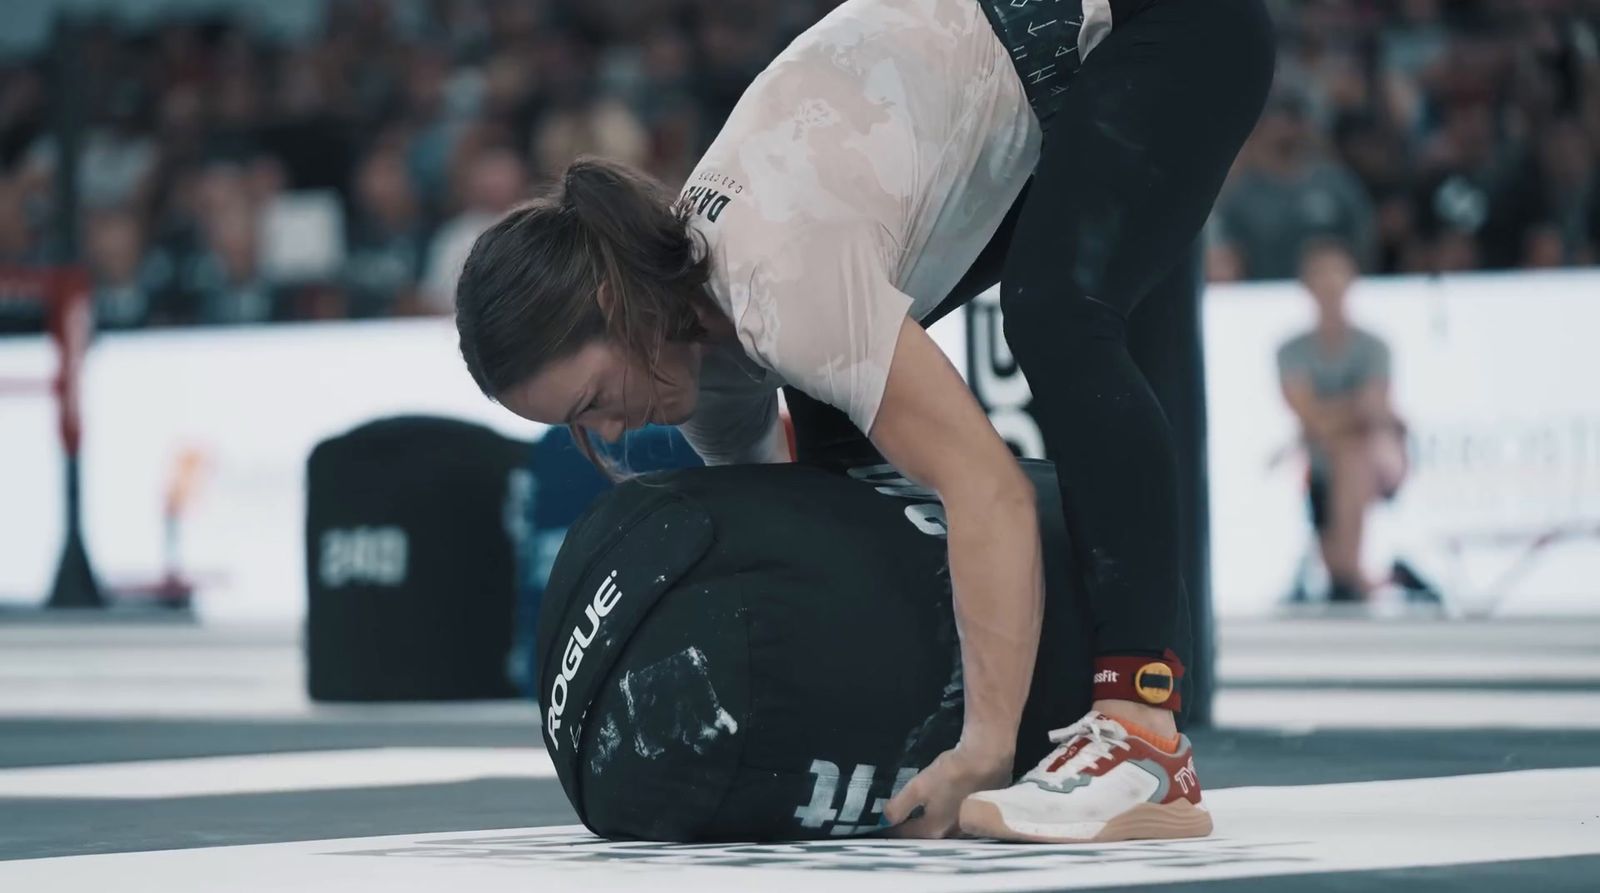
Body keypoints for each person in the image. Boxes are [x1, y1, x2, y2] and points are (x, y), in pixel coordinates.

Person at [455, 0, 1273, 842]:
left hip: (1167, 26)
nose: (616, 432)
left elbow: (985, 487)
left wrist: (985, 748)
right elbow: (790, 543)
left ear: (612, 304)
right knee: (833, 437)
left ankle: (1144, 736)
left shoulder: (780, 285)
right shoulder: (710, 338)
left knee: (1057, 315)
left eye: (593, 401)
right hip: (1042, 81)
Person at [1278, 238, 1404, 602]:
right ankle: (1345, 571)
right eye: (1320, 277)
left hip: (1369, 455)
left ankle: (1346, 569)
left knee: (1352, 456)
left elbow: (1370, 407)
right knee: (1345, 453)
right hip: (1324, 453)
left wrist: (1329, 418)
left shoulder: (1373, 346)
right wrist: (1341, 418)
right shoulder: (1292, 349)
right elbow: (1309, 413)